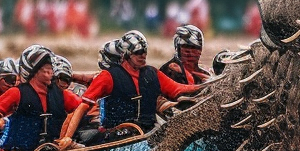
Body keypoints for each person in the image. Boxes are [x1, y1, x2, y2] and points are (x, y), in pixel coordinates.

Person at [66, 30, 201, 140]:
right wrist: (67, 137)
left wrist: (209, 86)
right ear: (126, 54)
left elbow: (179, 89)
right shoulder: (108, 76)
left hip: (149, 131)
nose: (143, 55)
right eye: (138, 52)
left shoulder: (152, 73)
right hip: (116, 135)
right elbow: (83, 106)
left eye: (144, 52)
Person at [0, 45, 85, 151]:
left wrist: (67, 136)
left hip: (50, 150)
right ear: (32, 72)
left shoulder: (61, 94)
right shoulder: (16, 93)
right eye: (45, 69)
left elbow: (83, 108)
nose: (50, 72)